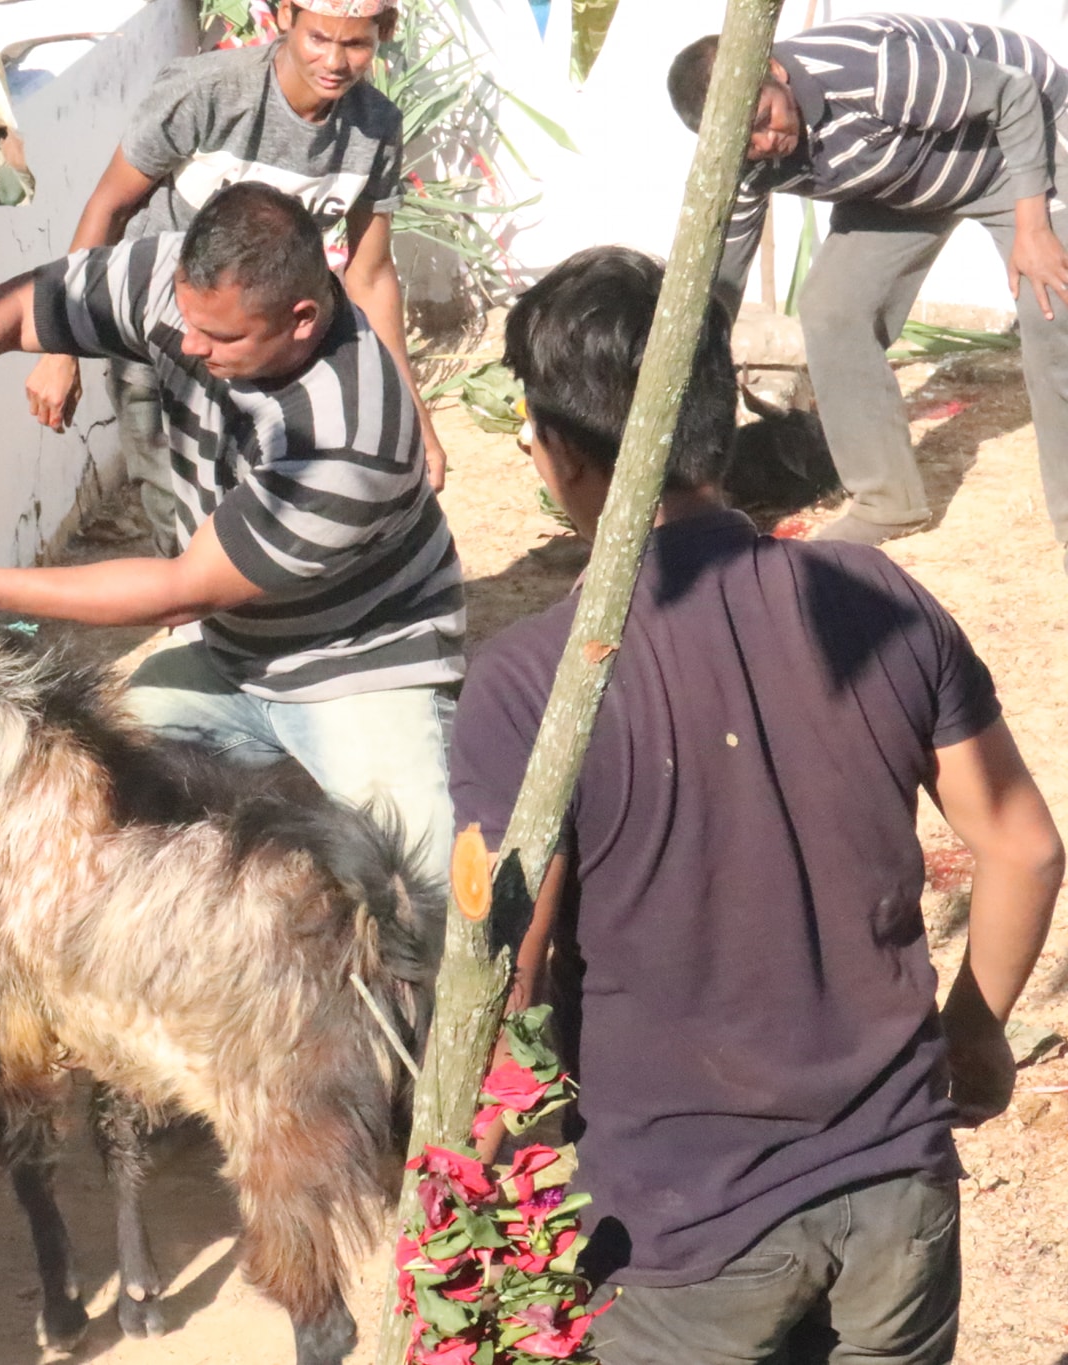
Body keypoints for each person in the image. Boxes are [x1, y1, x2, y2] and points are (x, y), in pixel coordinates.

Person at [451, 245, 1063, 1364]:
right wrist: (968, 1039)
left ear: (561, 457)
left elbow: (507, 974)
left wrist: (478, 1194)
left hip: (677, 1239)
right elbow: (1022, 850)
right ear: (715, 418)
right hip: (897, 1204)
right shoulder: (873, 596)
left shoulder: (526, 686)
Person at [0, 181, 466, 886]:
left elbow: (179, 590)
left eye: (223, 337)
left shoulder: (349, 434)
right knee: (90, 788)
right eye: (187, 319)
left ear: (301, 318)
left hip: (359, 664)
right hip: (230, 645)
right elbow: (0, 314)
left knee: (420, 891)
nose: (191, 343)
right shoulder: (175, 288)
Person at [26, 0, 445, 555]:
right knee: (176, 514)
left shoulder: (375, 129)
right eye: (319, 38)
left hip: (271, 348)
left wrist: (412, 412)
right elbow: (110, 206)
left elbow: (370, 274)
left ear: (383, 33)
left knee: (267, 509)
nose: (336, 61)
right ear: (286, 19)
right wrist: (61, 347)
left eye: (356, 44)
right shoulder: (208, 92)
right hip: (162, 344)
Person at [671, 16, 1068, 563]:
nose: (767, 142)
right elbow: (725, 281)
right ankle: (887, 500)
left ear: (773, 70)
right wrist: (694, 363)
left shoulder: (866, 70)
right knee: (833, 310)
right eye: (747, 141)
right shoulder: (741, 158)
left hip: (1023, 139)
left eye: (765, 119)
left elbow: (1013, 93)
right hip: (909, 174)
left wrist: (1034, 228)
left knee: (1052, 306)